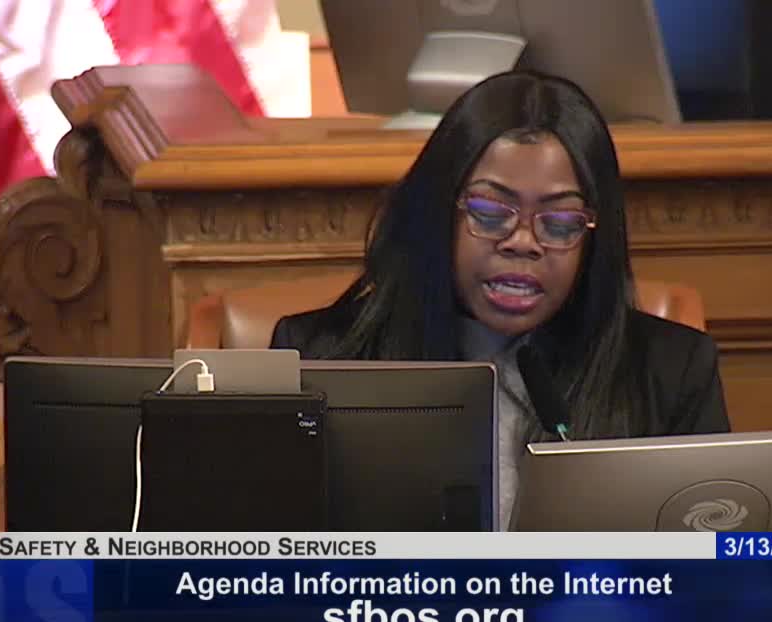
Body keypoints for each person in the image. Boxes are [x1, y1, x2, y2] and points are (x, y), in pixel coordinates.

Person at [271, 71, 729, 530]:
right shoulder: (317, 360)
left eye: (560, 222)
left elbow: (713, 560)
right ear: (438, 212)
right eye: (490, 213)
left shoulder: (671, 371)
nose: (523, 242)